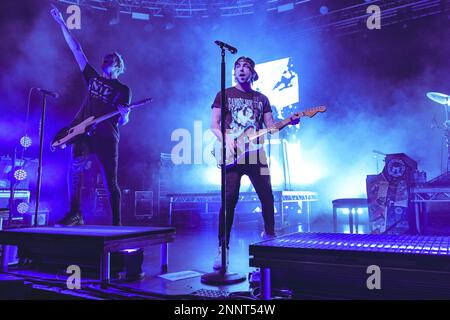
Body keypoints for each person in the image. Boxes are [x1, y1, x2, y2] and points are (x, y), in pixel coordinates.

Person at [210, 56, 299, 269]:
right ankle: (223, 249)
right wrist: (227, 139)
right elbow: (214, 124)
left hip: (256, 154)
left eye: (246, 67)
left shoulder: (262, 98)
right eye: (238, 67)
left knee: (267, 198)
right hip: (231, 153)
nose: (241, 70)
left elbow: (271, 126)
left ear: (252, 72)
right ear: (233, 71)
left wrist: (289, 122)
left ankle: (269, 238)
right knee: (229, 200)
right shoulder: (224, 94)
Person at [51, 6, 131, 226]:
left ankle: (117, 224)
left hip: (107, 137)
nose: (106, 60)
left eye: (111, 59)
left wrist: (125, 116)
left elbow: (122, 120)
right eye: (105, 58)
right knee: (74, 169)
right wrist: (62, 23)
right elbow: (77, 50)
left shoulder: (123, 89)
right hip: (84, 134)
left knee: (110, 182)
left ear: (118, 66)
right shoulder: (93, 79)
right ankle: (75, 213)